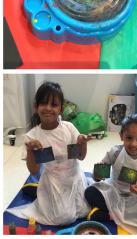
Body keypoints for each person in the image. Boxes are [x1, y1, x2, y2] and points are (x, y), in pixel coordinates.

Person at [7, 82, 91, 225]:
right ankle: (39, 191)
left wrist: (82, 143)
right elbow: (34, 171)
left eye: (54, 105)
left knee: (83, 211)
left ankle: (37, 190)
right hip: (53, 179)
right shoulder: (32, 136)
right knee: (64, 218)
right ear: (36, 107)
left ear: (61, 109)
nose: (48, 108)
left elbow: (80, 157)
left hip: (73, 175)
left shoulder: (69, 128)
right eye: (43, 103)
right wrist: (30, 151)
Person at [85, 113, 137, 234]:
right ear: (121, 136)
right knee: (89, 192)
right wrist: (97, 175)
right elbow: (99, 174)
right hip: (114, 191)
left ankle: (110, 216)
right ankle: (121, 214)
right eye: (129, 138)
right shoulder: (115, 152)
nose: (133, 144)